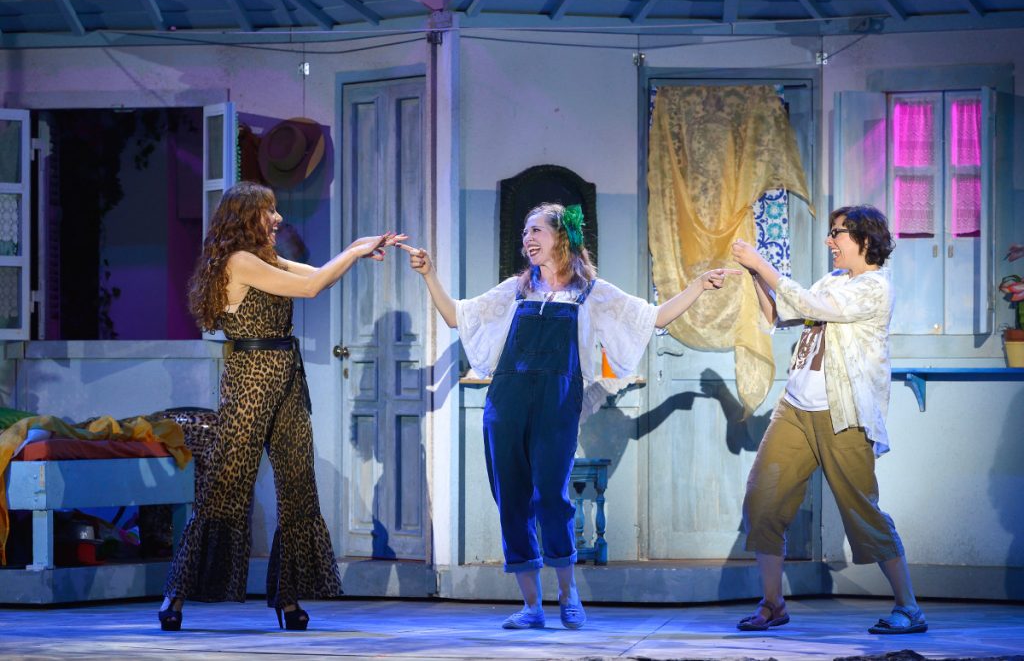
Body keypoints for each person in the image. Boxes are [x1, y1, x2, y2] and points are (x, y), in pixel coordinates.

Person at [399, 202, 738, 629]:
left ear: (561, 237)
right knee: (512, 501)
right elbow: (456, 317)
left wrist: (697, 287)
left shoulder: (591, 292)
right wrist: (430, 274)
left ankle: (567, 591)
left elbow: (652, 318)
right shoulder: (515, 290)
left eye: (536, 230)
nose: (527, 238)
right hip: (506, 404)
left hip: (557, 406)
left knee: (551, 499)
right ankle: (531, 606)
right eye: (525, 232)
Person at [158, 181, 404, 632]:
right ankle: (176, 592)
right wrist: (353, 252)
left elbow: (317, 273)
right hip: (251, 376)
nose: (278, 218)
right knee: (227, 486)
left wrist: (357, 250)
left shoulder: (265, 258)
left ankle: (287, 597)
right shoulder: (240, 261)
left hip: (287, 376)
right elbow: (310, 288)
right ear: (246, 217)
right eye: (269, 211)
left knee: (297, 485)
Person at [731, 204, 926, 635]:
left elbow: (811, 303)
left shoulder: (875, 287)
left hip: (844, 414)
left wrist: (762, 264)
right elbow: (781, 313)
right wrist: (755, 276)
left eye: (837, 233)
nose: (830, 241)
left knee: (862, 510)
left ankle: (909, 607)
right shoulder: (834, 279)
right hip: (796, 409)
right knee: (763, 501)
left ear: (865, 239)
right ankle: (772, 603)